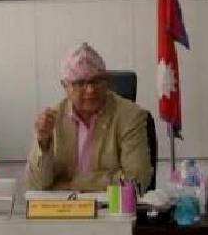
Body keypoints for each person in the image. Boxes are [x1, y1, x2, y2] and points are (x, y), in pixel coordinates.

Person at [26, 43, 151, 191]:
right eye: (80, 83)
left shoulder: (130, 116)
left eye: (97, 81)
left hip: (110, 204)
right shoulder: (52, 120)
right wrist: (43, 142)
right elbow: (37, 184)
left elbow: (136, 181)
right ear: (65, 86)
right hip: (62, 205)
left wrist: (73, 184)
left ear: (107, 81)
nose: (91, 90)